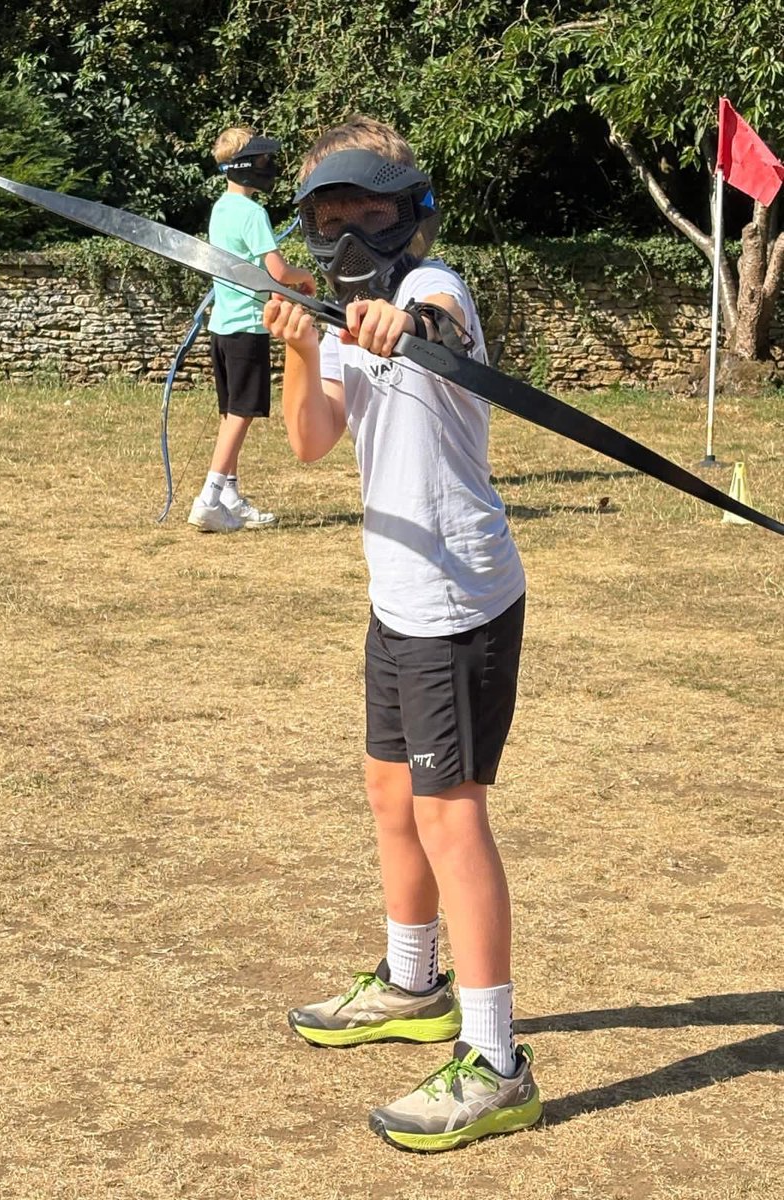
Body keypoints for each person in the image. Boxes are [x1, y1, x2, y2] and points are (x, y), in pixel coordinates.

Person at [263, 116, 542, 1152]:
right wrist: (304, 349)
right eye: (328, 217)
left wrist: (403, 322)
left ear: (409, 214)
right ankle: (413, 982)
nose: (346, 234)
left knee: (449, 816)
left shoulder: (433, 286)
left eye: (366, 213)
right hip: (398, 595)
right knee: (390, 794)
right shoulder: (340, 317)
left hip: (459, 600)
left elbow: (444, 329)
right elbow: (310, 442)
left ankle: (496, 1063)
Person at [188, 127, 316, 533]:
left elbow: (247, 269)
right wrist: (305, 276)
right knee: (242, 414)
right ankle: (208, 500)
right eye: (262, 160)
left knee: (230, 413)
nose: (267, 166)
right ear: (246, 165)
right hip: (247, 326)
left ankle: (229, 495)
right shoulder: (252, 213)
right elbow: (277, 270)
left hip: (222, 326)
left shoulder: (220, 209)